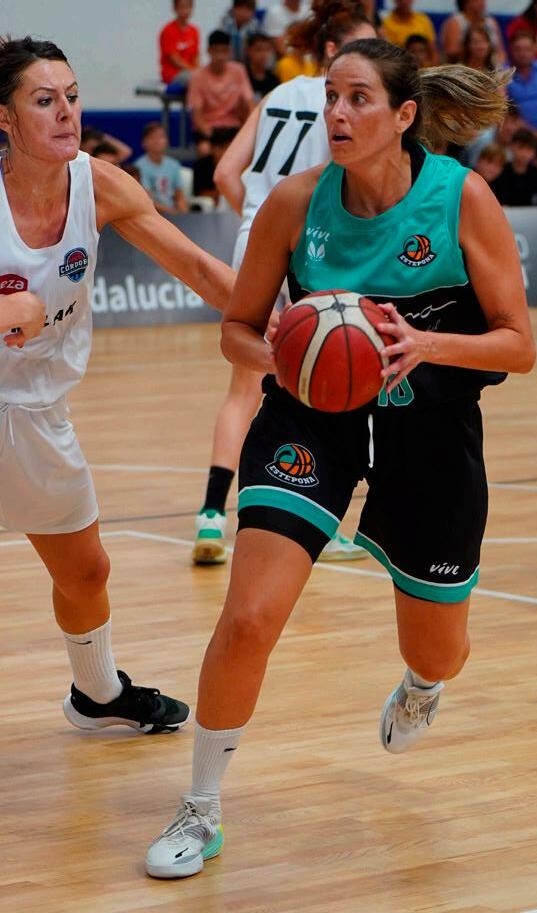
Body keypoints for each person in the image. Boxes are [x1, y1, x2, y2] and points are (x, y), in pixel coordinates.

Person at [145, 37, 535, 879]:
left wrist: (425, 343)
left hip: (430, 429)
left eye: (358, 98)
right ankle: (200, 805)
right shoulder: (295, 202)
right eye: (330, 97)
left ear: (403, 115)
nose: (336, 114)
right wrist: (284, 355)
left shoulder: (461, 198)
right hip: (310, 421)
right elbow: (236, 328)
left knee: (439, 650)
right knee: (249, 617)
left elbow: (519, 343)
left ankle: (423, 684)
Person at [0, 37, 235, 734]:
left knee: (86, 574)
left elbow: (196, 266)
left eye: (71, 97)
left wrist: (277, 322)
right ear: (5, 118)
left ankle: (97, 695)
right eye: (44, 100)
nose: (66, 112)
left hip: (37, 412)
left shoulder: (98, 184)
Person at [193, 0, 377, 565]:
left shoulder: (275, 94)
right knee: (337, 371)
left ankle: (210, 515)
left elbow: (226, 173)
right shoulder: (344, 105)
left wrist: (257, 221)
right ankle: (327, 517)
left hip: (255, 239)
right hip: (310, 243)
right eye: (364, 45)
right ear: (333, 50)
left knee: (242, 389)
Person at [187, 30, 254, 155]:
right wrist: (214, 138)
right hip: (209, 129)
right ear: (209, 51)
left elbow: (249, 103)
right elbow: (197, 116)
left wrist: (248, 129)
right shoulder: (197, 77)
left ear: (229, 51)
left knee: (247, 150)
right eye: (216, 51)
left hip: (233, 126)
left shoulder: (239, 71)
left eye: (224, 51)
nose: (220, 56)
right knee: (205, 150)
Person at [135, 122, 189, 214]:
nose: (157, 141)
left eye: (161, 137)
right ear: (144, 142)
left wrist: (184, 213)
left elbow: (179, 196)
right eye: (152, 137)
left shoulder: (174, 165)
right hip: (150, 214)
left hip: (173, 214)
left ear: (167, 141)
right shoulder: (138, 167)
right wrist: (172, 212)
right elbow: (147, 200)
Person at [491, 128, 537, 204]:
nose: (524, 153)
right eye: (521, 147)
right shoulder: (502, 171)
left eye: (529, 149)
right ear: (511, 146)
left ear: (534, 151)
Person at [440, 0, 504, 66]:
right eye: (477, 0)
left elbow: (501, 51)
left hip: (492, 66)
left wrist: (500, 65)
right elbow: (451, 53)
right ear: (466, 3)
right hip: (463, 68)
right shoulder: (455, 23)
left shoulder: (492, 22)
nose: (482, 2)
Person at [192, 126, 239, 204]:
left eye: (229, 148)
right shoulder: (200, 166)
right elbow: (198, 193)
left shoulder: (239, 166)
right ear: (212, 148)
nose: (225, 152)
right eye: (222, 147)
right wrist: (218, 193)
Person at [159, 0, 200, 85]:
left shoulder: (194, 31)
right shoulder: (168, 31)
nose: (185, 11)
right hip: (173, 74)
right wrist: (193, 70)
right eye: (182, 7)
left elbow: (196, 56)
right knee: (197, 79)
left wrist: (199, 69)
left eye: (188, 7)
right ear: (175, 8)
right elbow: (174, 59)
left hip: (191, 72)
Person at [245, 32, 280, 101]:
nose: (264, 54)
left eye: (267, 50)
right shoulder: (242, 75)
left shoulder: (273, 79)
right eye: (259, 50)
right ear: (248, 51)